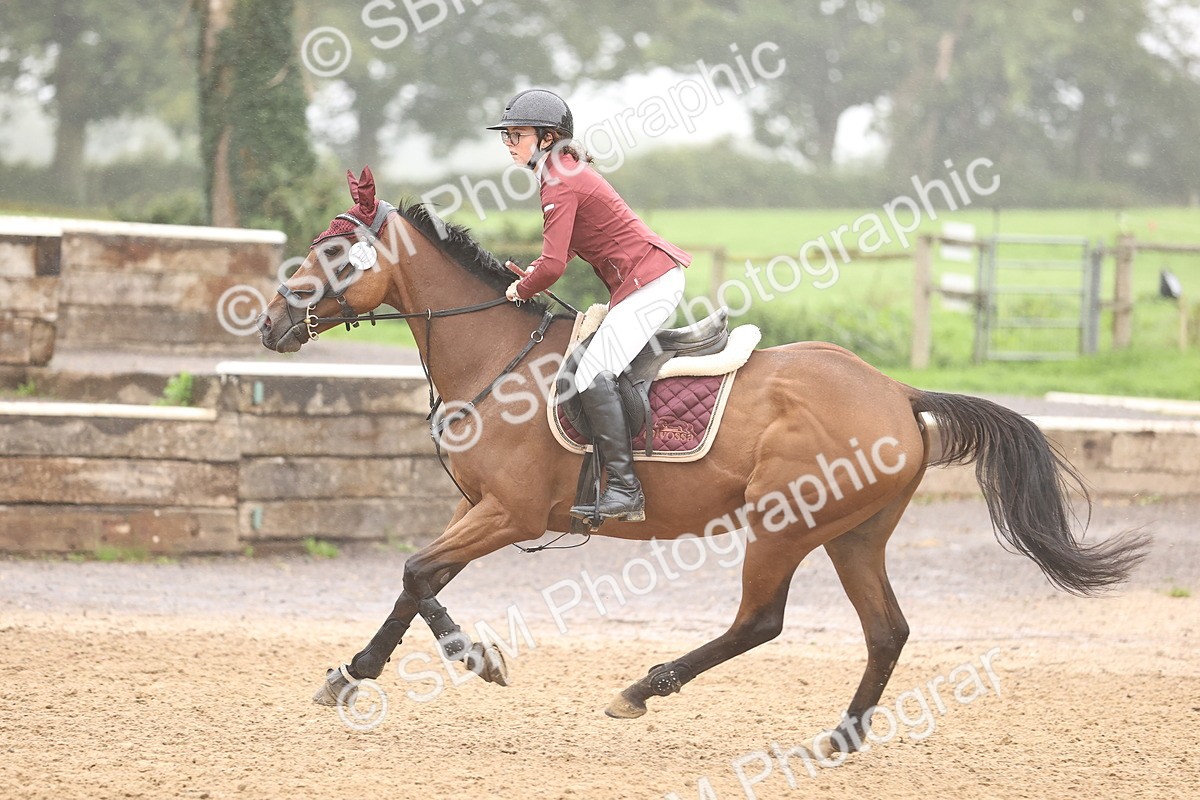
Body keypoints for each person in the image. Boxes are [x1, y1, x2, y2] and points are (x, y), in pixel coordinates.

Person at [487, 88, 691, 523]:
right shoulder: (563, 172)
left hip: (648, 284)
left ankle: (625, 488)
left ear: (547, 137)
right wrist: (533, 272)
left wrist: (522, 289)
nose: (508, 142)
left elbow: (555, 265)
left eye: (516, 134)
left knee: (591, 374)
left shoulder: (558, 181)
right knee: (593, 369)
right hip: (645, 281)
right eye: (506, 135)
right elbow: (574, 246)